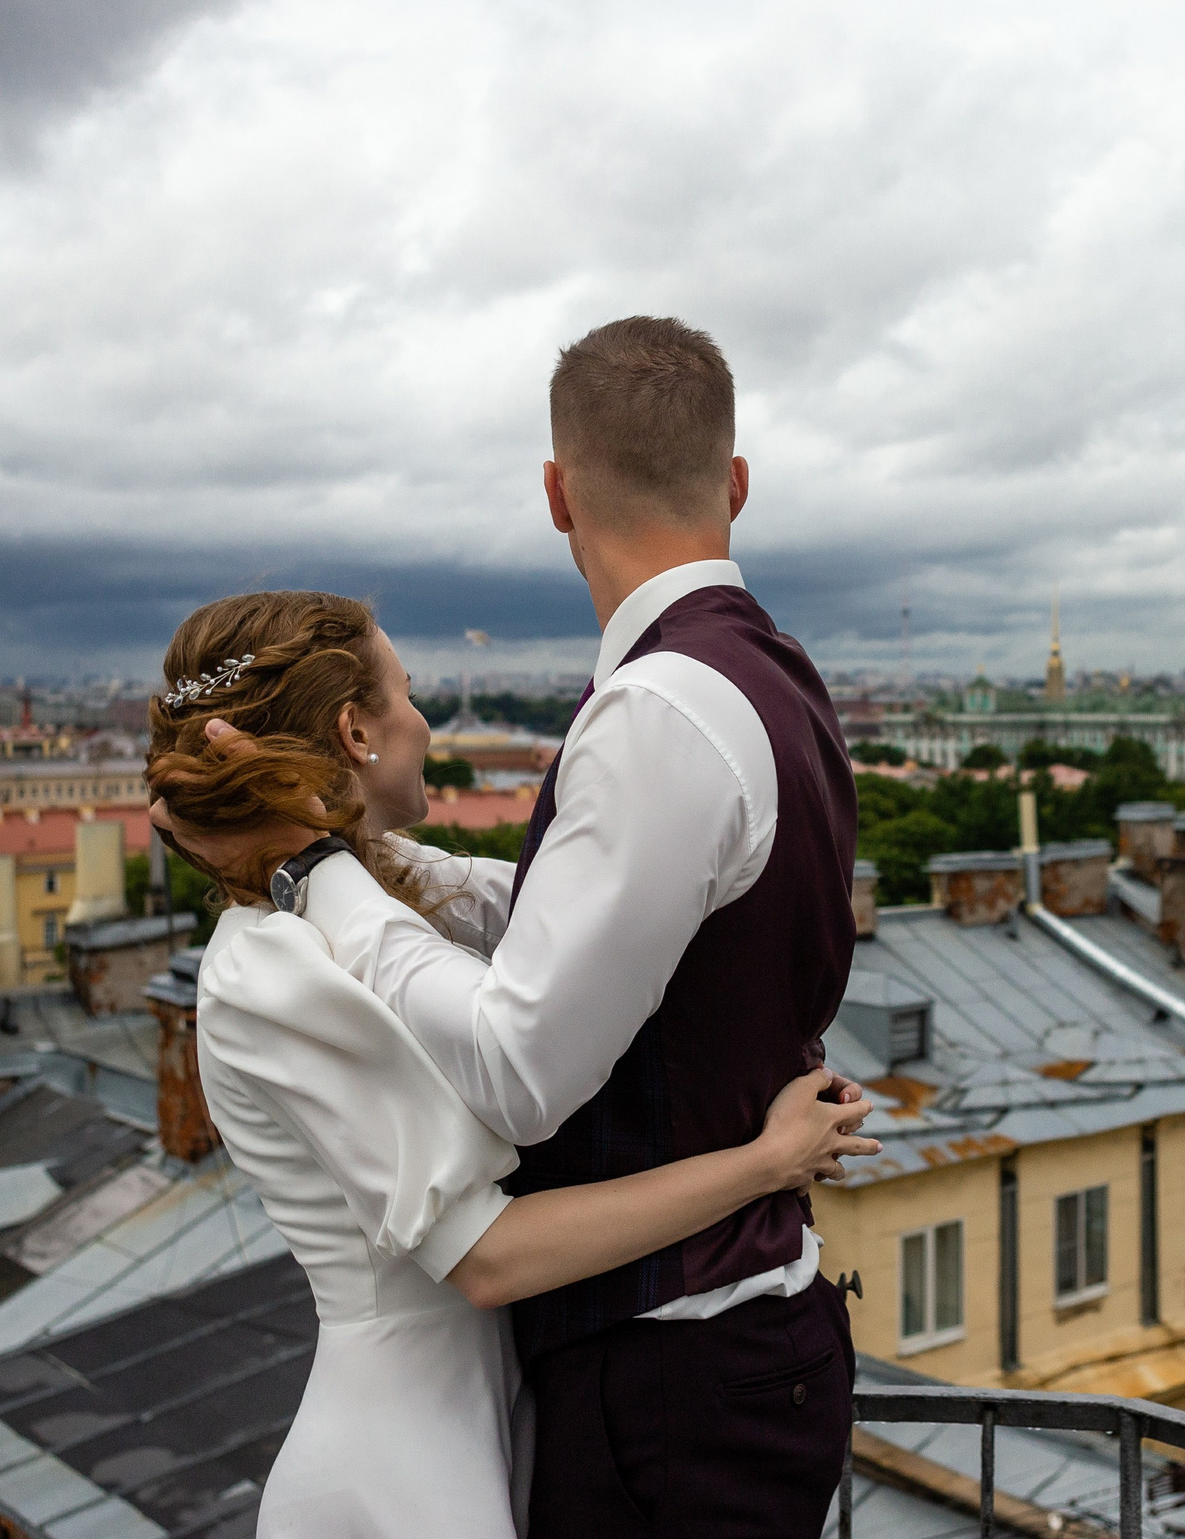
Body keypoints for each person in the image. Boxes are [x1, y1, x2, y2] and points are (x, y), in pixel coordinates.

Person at [171, 317, 864, 1537]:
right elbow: (554, 942)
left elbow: (514, 1067)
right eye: (407, 695)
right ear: (736, 484)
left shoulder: (653, 709)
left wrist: (322, 864)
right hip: (588, 1392)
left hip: (664, 1368)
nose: (428, 716)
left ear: (556, 494)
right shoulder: (781, 683)